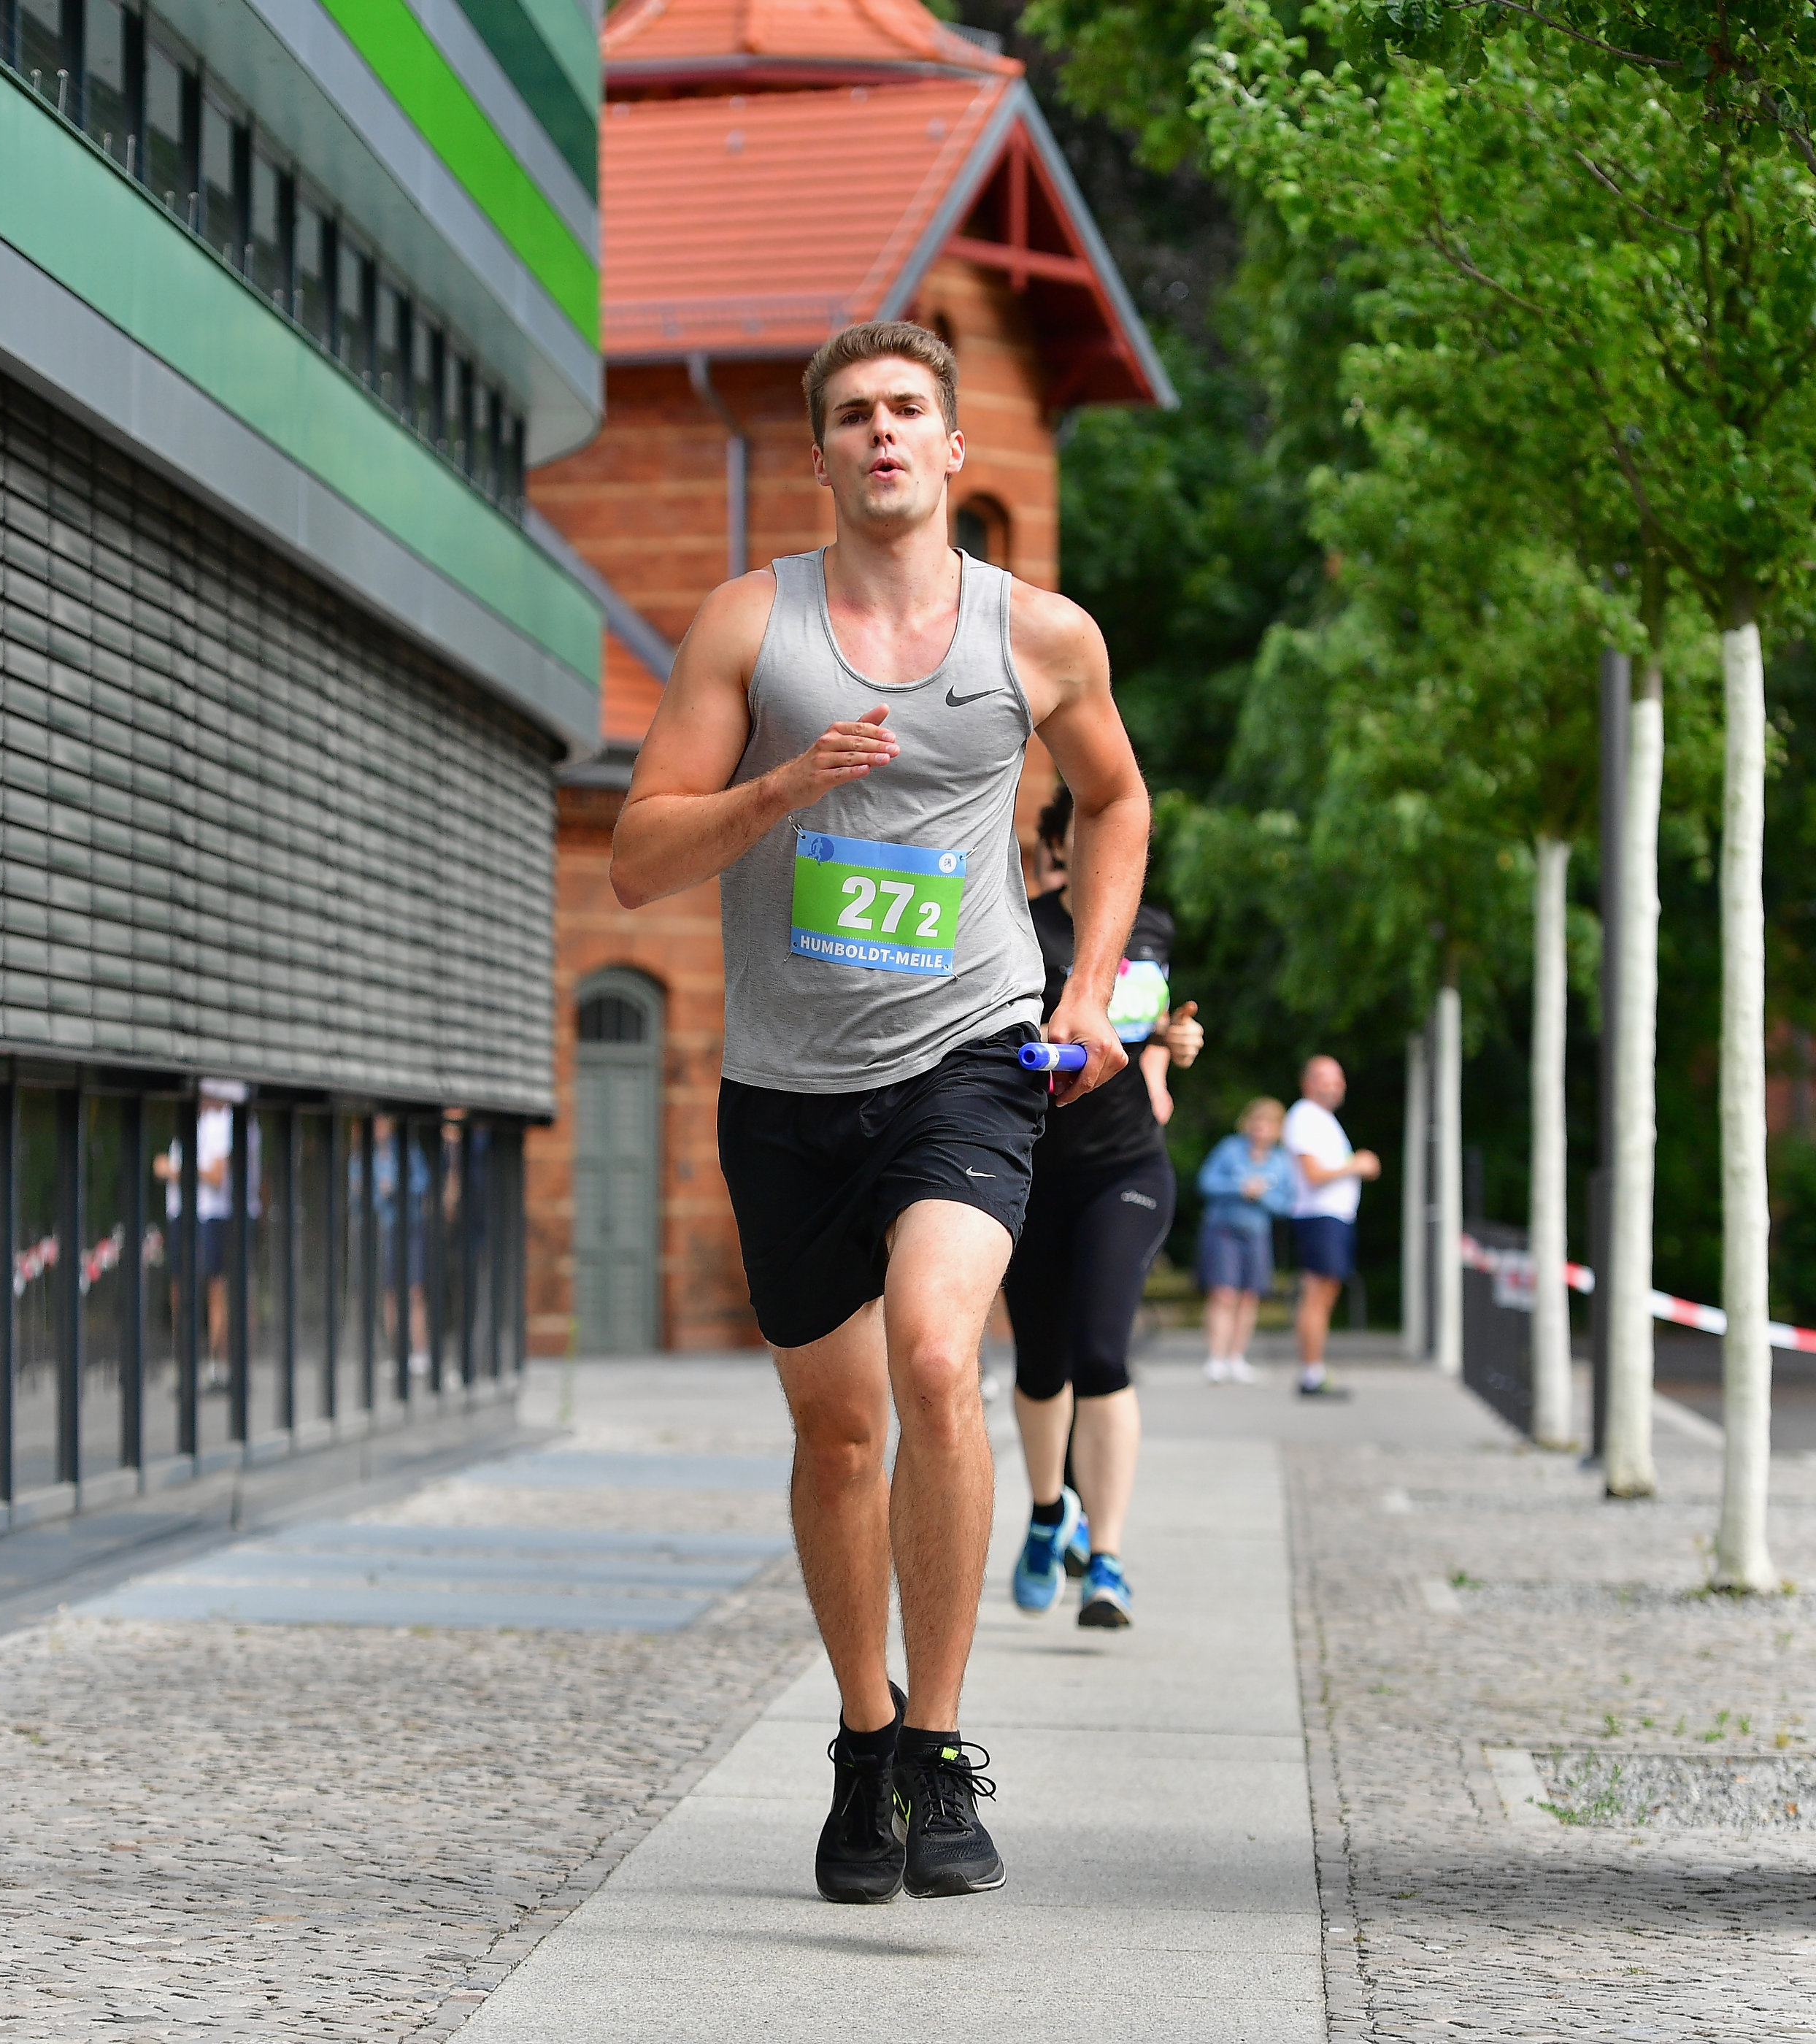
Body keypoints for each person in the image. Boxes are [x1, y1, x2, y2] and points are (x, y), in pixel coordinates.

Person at [611, 320, 1149, 1904]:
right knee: (837, 1430)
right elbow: (638, 854)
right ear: (824, 454)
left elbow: (1114, 798)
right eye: (855, 415)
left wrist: (1090, 987)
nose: (884, 434)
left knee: (935, 1354)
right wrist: (780, 787)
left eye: (911, 409)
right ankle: (864, 1744)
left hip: (968, 1052)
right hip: (787, 1086)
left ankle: (942, 1748)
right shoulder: (749, 629)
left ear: (956, 446)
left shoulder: (1038, 634)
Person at [1002, 782, 1200, 1631]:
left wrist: (1170, 1054)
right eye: (1081, 839)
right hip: (1034, 1169)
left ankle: (1108, 1559)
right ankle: (1051, 1513)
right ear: (1058, 849)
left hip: (1126, 1166)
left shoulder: (1148, 932)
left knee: (1102, 1354)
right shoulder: (1019, 924)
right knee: (1042, 1366)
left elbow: (1152, 1029)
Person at [1283, 1056, 1380, 1398]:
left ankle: (1316, 1368)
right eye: (1326, 1077)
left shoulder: (1323, 1120)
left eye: (1339, 1077)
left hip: (1332, 1217)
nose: (1336, 1084)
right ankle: (1311, 1373)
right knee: (1317, 1293)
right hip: (1319, 1215)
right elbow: (1313, 1173)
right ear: (1308, 1082)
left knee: (1326, 1293)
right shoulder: (1305, 1116)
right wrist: (1356, 1165)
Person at [1195, 1096, 1296, 1383]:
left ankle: (1236, 1358)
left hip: (1257, 1234)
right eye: (1257, 1123)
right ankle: (1216, 1358)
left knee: (1249, 1298)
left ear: (1277, 1130)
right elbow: (1206, 1183)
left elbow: (1286, 1204)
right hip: (1223, 1230)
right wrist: (1240, 1187)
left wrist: (1262, 1194)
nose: (1260, 1130)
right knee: (1223, 1294)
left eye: (1268, 1125)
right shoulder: (1229, 1149)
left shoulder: (1280, 1161)